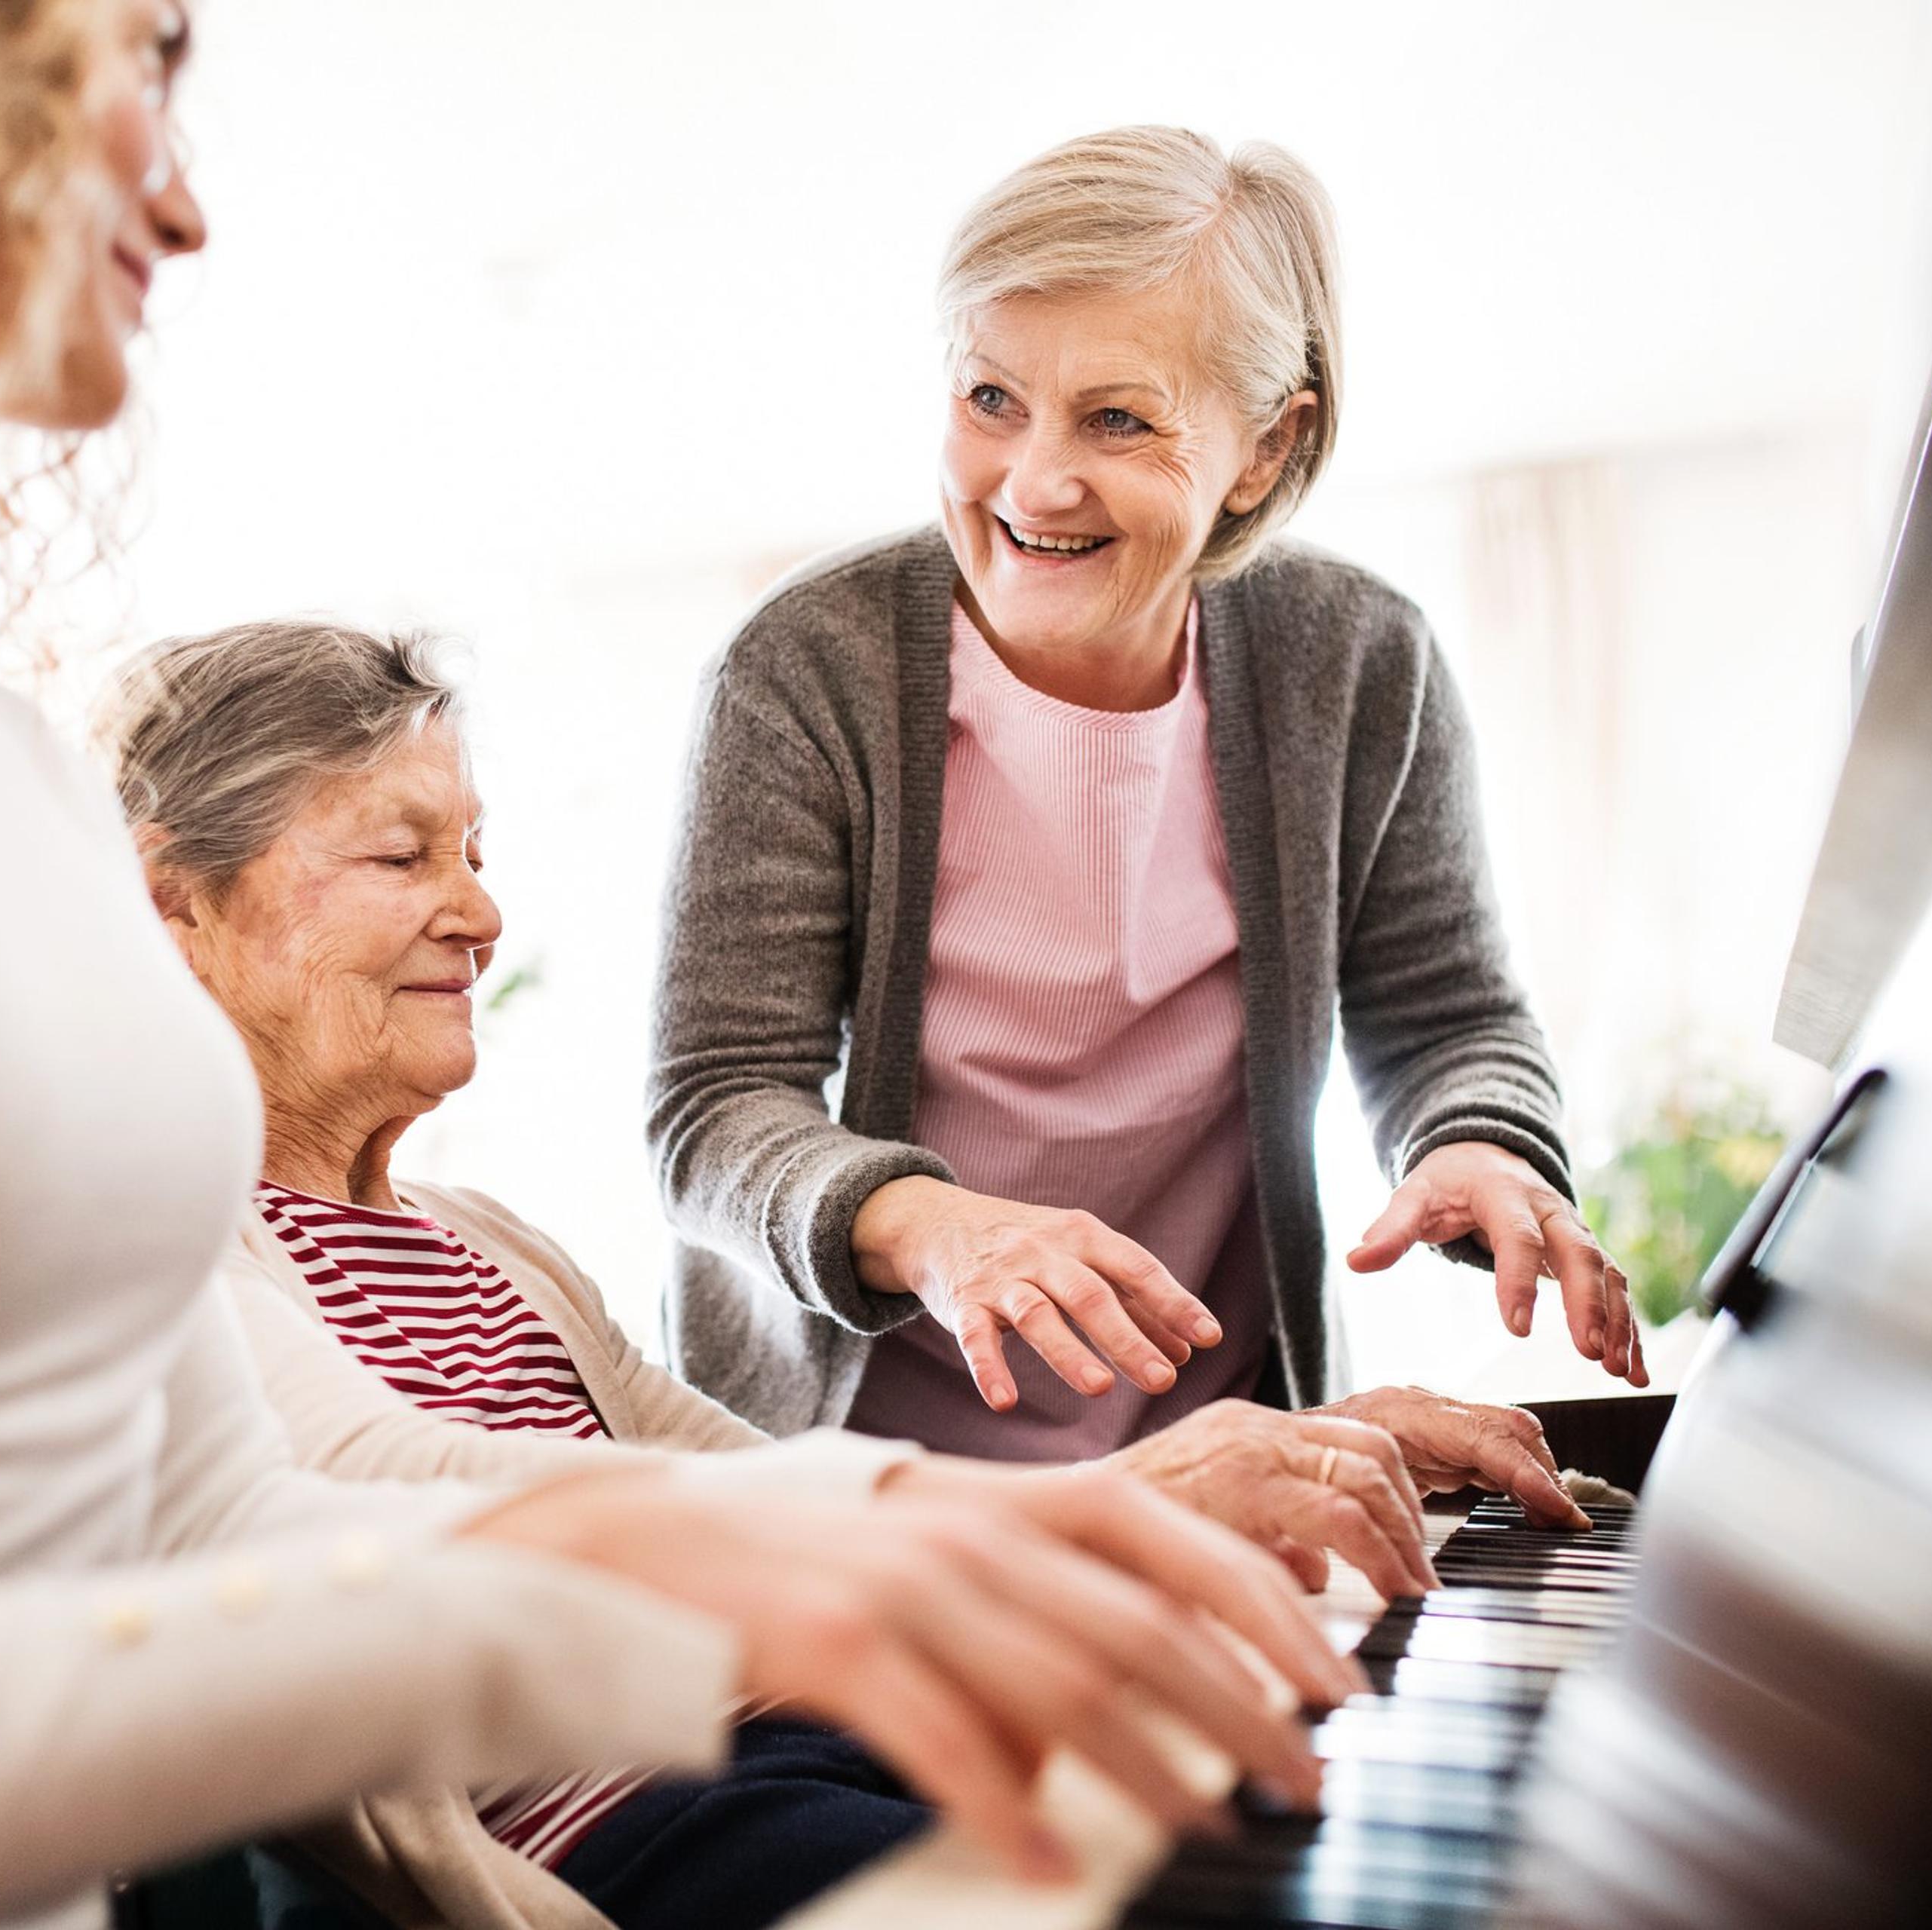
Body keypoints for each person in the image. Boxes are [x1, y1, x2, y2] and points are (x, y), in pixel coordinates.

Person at [0, 14, 1336, 1929]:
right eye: (142, 62)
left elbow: (212, 1512)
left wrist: (862, 1526)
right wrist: (721, 1584)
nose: (185, 207)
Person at [104, 617, 1585, 1930]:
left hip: (813, 1736)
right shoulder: (155, 1239)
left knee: (1311, 1811)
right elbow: (386, 1495)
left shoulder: (490, 1243)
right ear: (178, 903)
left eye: (476, 851)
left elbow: (787, 1497)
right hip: (650, 1828)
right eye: (399, 852)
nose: (482, 913)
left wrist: (1255, 1464)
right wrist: (1126, 1501)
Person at [649, 126, 1647, 1476]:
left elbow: (1451, 1016)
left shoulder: (1356, 661)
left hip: (1221, 1445)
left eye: (1117, 419)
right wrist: (939, 1229)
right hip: (870, 1479)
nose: (1034, 480)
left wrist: (1479, 1139)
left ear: (1263, 445)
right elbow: (715, 1108)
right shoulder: (803, 671)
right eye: (990, 398)